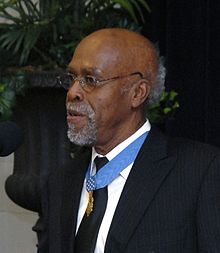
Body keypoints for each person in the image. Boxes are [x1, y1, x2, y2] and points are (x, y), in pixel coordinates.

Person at [34, 28, 220, 253]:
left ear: (137, 93)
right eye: (72, 78)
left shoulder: (200, 171)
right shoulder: (61, 181)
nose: (73, 92)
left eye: (90, 80)